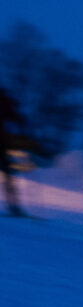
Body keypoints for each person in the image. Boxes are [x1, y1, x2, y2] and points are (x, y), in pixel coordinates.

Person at [0, 88, 26, 217]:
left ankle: (13, 205)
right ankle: (14, 206)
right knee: (7, 175)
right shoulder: (7, 102)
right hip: (3, 142)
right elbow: (15, 117)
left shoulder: (6, 102)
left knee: (8, 175)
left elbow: (14, 117)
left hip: (3, 142)